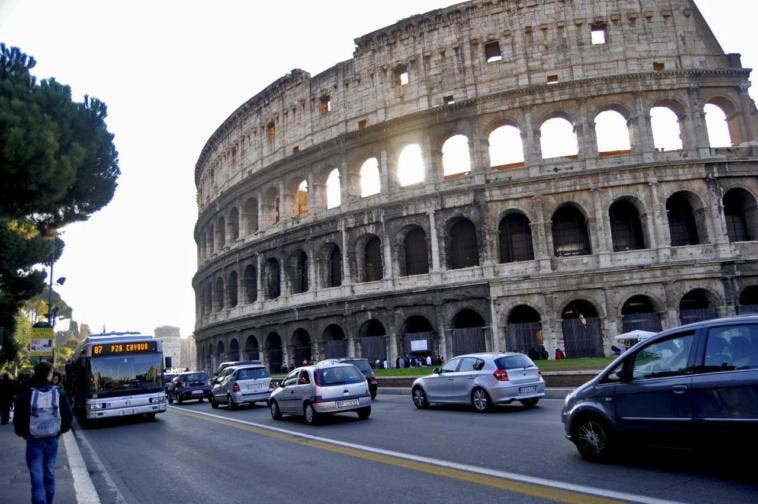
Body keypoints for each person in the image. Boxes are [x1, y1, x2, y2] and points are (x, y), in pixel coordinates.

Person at [14, 361, 73, 504]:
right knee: (50, 472)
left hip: (34, 439)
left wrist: (24, 433)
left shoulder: (28, 393)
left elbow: (19, 417)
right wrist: (59, 431)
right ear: (49, 374)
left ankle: (40, 501)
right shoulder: (58, 392)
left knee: (36, 474)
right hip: (52, 438)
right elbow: (69, 416)